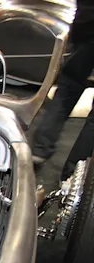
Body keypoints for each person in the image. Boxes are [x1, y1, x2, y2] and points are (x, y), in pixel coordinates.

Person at [31, 0, 94, 181]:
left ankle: (40, 147)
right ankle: (73, 175)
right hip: (87, 25)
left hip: (88, 27)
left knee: (67, 89)